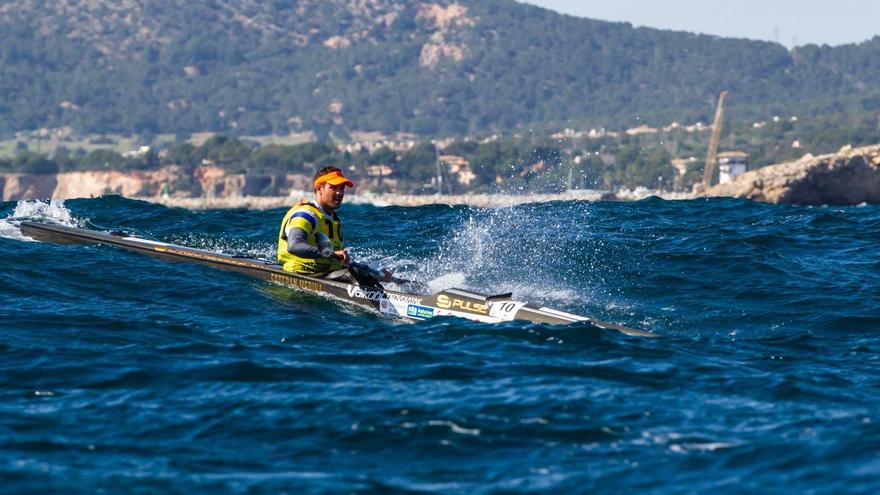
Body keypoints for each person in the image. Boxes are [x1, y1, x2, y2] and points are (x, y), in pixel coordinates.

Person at [277, 166, 392, 285]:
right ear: (319, 188)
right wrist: (330, 253)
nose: (339, 192)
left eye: (342, 188)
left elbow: (339, 259)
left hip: (327, 274)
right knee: (355, 275)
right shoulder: (306, 214)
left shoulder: (334, 220)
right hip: (302, 273)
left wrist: (378, 274)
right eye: (333, 187)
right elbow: (294, 245)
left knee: (375, 276)